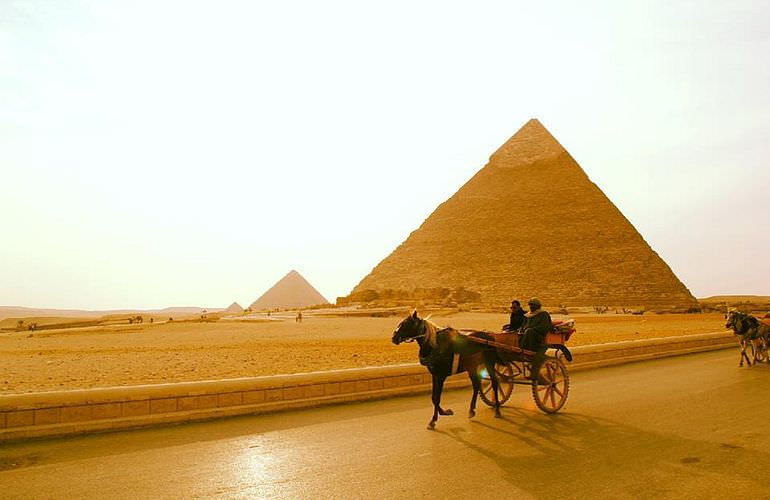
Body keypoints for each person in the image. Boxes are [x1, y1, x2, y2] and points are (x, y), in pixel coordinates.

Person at [520, 297, 552, 380]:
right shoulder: (527, 315)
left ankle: (528, 349)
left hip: (539, 337)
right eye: (530, 305)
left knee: (529, 331)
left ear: (538, 306)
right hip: (528, 335)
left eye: (533, 305)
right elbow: (523, 326)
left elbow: (544, 327)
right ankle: (523, 348)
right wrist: (521, 330)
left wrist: (531, 329)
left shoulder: (543, 314)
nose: (531, 307)